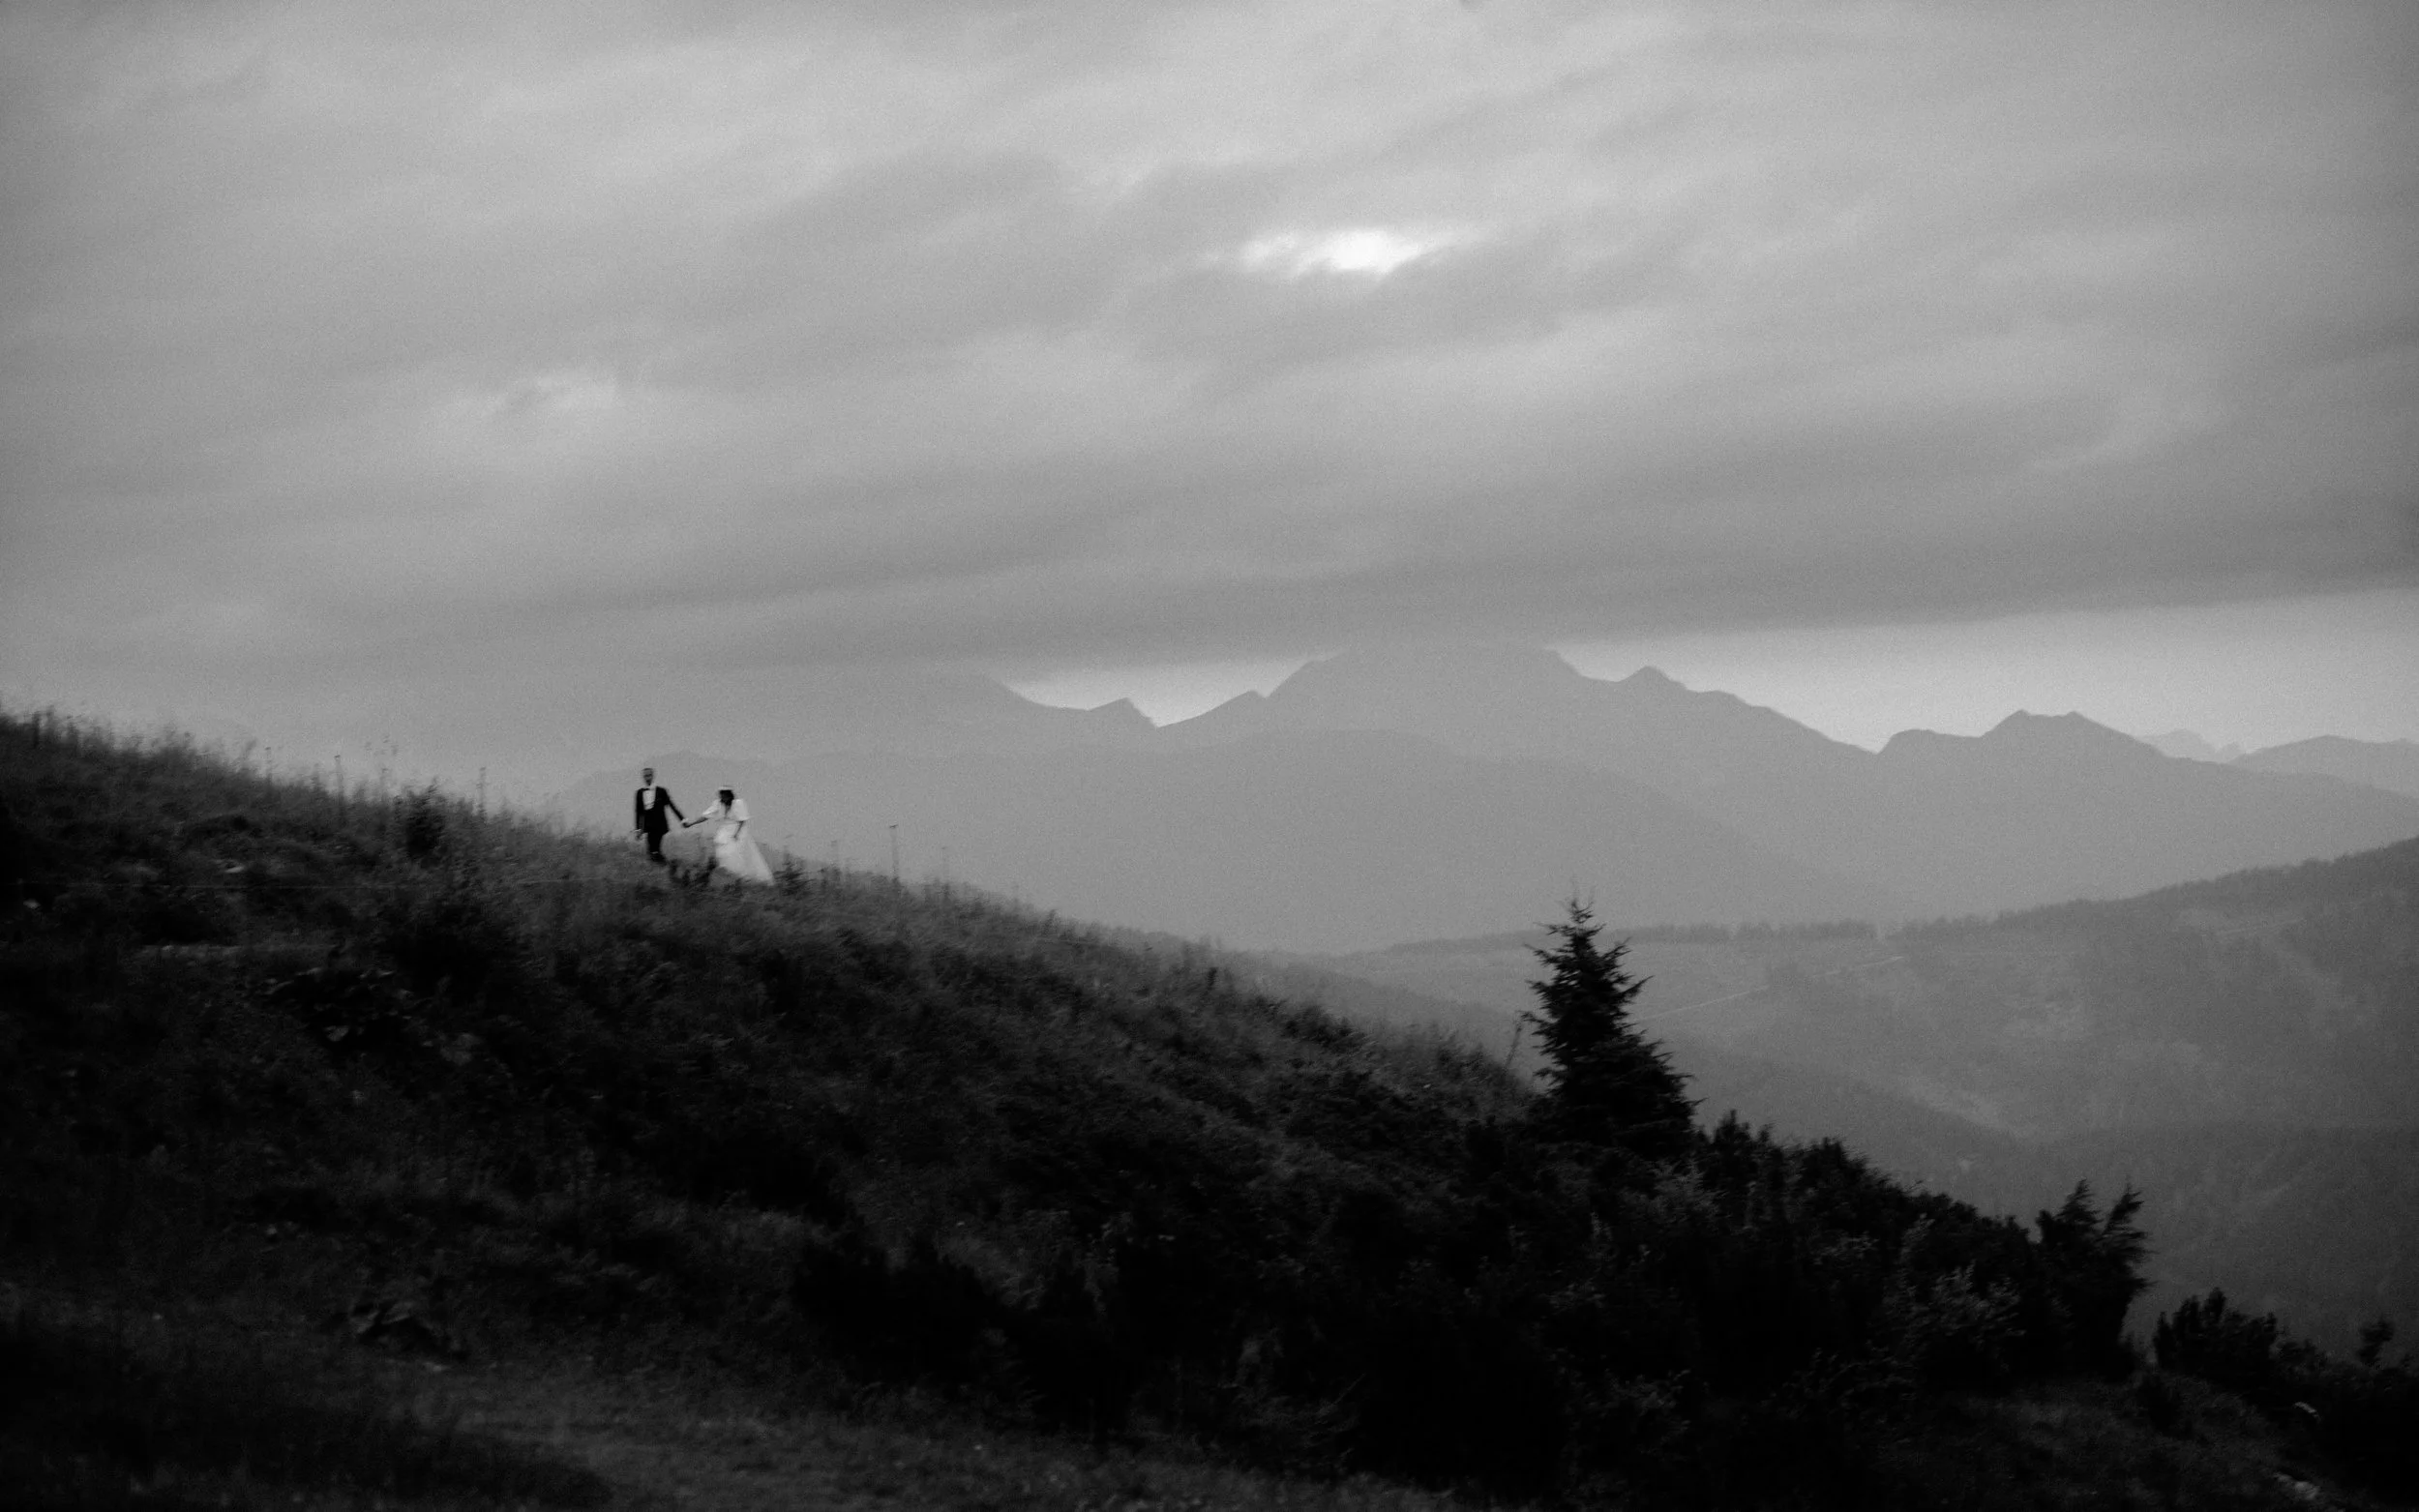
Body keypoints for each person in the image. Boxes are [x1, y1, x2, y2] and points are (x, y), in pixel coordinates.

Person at [686, 786, 774, 884]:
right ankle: (729, 874)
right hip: (724, 832)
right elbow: (706, 816)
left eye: (724, 795)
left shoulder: (738, 804)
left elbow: (742, 820)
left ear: (729, 795)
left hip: (737, 830)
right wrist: (692, 823)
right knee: (722, 853)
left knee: (735, 853)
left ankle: (743, 875)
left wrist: (736, 834)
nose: (723, 797)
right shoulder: (718, 804)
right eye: (721, 795)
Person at [632, 767, 685, 864]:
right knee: (652, 851)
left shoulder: (661, 791)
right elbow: (638, 812)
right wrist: (638, 829)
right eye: (645, 776)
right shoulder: (639, 793)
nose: (647, 778)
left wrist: (682, 820)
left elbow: (672, 806)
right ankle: (667, 865)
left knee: (654, 849)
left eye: (649, 775)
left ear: (653, 776)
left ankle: (666, 866)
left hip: (659, 825)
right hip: (648, 826)